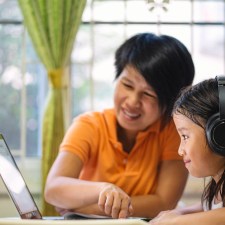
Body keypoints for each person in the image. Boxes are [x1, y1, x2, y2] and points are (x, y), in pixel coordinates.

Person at [44, 32, 195, 219]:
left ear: (171, 101)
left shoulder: (173, 132)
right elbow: (53, 188)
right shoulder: (89, 125)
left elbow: (164, 202)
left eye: (148, 94)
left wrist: (86, 208)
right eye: (127, 85)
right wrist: (104, 190)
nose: (132, 102)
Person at [149, 76, 225, 225]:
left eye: (185, 136)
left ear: (219, 134)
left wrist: (177, 221)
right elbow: (208, 208)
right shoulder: (216, 187)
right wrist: (179, 212)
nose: (180, 150)